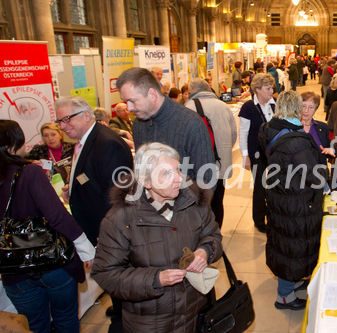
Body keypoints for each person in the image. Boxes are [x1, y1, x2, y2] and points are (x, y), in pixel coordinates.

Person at [91, 143, 222, 332]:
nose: (178, 179)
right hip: (151, 323)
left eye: (178, 169)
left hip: (196, 312)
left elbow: (213, 236)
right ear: (146, 181)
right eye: (166, 174)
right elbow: (105, 274)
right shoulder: (120, 219)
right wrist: (155, 279)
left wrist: (205, 251)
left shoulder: (195, 201)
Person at [0, 120, 95, 333]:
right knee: (66, 318)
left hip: (13, 267)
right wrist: (85, 248)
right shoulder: (28, 173)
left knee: (35, 325)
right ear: (12, 145)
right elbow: (57, 215)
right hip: (50, 259)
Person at [55, 96, 133, 331]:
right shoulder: (85, 140)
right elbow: (92, 178)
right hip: (97, 227)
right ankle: (119, 310)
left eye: (67, 119)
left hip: (109, 231)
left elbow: (117, 195)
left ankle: (123, 322)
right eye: (59, 121)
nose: (62, 126)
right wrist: (74, 189)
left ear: (87, 115)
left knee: (120, 280)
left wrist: (108, 235)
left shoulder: (106, 143)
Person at [258, 91, 326, 310]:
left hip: (281, 195)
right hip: (295, 201)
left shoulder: (271, 128)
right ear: (296, 109)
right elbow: (313, 174)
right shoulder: (296, 140)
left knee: (285, 241)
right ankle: (284, 296)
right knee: (292, 245)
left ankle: (292, 282)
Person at [117, 67, 216, 187]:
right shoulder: (139, 125)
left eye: (132, 101)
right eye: (126, 102)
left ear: (152, 94)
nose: (129, 108)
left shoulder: (191, 124)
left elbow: (207, 180)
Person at [184, 78, 237, 227]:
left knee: (201, 203)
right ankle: (217, 233)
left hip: (199, 167)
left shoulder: (188, 107)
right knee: (218, 201)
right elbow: (233, 135)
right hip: (221, 163)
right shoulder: (223, 106)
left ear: (193, 91)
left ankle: (204, 237)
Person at [238, 73, 276, 233]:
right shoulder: (248, 108)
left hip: (274, 153)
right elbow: (243, 134)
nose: (271, 91)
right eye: (268, 88)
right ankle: (259, 221)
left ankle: (274, 216)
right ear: (258, 90)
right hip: (256, 153)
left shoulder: (275, 105)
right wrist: (245, 156)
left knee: (275, 186)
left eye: (272, 88)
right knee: (260, 187)